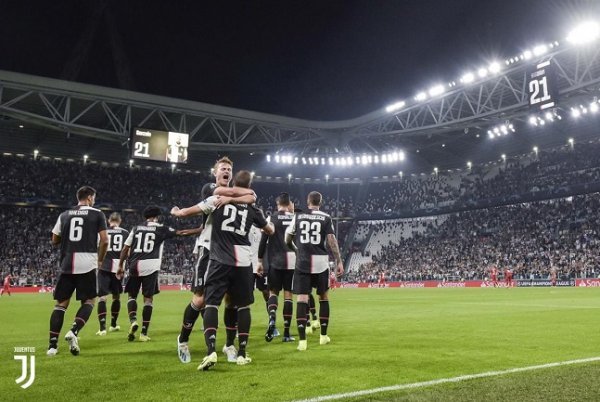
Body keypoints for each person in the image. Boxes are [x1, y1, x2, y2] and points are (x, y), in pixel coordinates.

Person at [172, 170, 274, 370]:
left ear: (233, 178)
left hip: (223, 254)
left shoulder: (227, 199)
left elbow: (250, 196)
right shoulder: (215, 194)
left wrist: (176, 212)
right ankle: (183, 340)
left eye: (229, 168)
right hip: (211, 250)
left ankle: (227, 346)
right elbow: (257, 208)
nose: (226, 171)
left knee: (228, 302)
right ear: (215, 172)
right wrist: (180, 213)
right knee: (201, 300)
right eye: (223, 168)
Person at [117, 206, 196, 342]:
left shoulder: (136, 228)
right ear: (157, 216)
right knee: (148, 299)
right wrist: (199, 230)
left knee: (132, 296)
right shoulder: (161, 228)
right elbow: (181, 233)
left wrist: (120, 265)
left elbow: (125, 248)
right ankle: (144, 333)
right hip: (151, 266)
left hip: (134, 265)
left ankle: (133, 320)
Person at [47, 186, 109, 356]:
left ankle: (52, 346)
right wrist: (101, 260)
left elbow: (54, 239)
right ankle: (73, 331)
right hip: (87, 263)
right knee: (89, 301)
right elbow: (104, 241)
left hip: (67, 263)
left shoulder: (64, 215)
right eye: (94, 197)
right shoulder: (97, 214)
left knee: (61, 304)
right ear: (89, 197)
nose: (94, 200)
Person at [285, 191, 344, 351]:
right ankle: (323, 337)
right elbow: (332, 240)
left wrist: (296, 249)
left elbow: (287, 238)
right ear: (320, 202)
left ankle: (302, 342)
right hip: (320, 262)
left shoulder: (298, 217)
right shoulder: (326, 217)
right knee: (323, 297)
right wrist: (339, 260)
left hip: (302, 262)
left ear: (308, 201)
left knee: (302, 299)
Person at [257, 192, 296, 342]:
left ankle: (272, 319)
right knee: (288, 296)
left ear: (278, 204)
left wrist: (260, 260)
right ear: (289, 204)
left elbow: (263, 241)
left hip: (275, 262)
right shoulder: (295, 219)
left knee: (273, 293)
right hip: (292, 262)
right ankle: (286, 333)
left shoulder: (271, 219)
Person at [96, 212, 129, 336]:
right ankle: (113, 324)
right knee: (116, 297)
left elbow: (98, 246)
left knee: (102, 297)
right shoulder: (125, 233)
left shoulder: (102, 231)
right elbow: (128, 251)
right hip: (117, 268)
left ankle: (102, 328)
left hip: (103, 266)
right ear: (119, 221)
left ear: (109, 221)